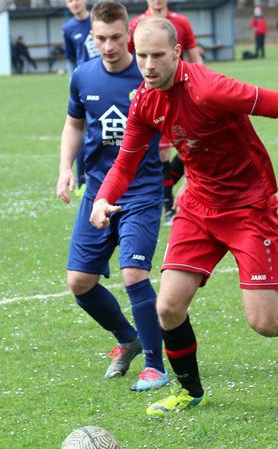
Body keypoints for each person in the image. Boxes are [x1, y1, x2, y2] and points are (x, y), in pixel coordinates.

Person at [91, 17, 278, 416]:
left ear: (177, 52)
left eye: (157, 55)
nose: (148, 65)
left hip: (249, 208)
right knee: (168, 307)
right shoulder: (144, 100)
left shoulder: (210, 89)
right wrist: (103, 199)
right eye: (142, 56)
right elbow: (126, 162)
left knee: (263, 321)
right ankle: (190, 391)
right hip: (198, 207)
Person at [56, 1, 169, 392]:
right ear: (92, 36)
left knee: (134, 273)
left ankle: (154, 365)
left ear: (129, 35)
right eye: (101, 38)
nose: (109, 46)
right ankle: (128, 337)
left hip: (141, 190)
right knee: (79, 282)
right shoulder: (83, 76)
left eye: (117, 38)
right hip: (97, 191)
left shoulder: (149, 77)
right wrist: (65, 169)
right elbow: (74, 124)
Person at [128, 0, 204, 226]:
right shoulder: (135, 25)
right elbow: (130, 61)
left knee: (193, 146)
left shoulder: (181, 22)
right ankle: (168, 206)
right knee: (161, 154)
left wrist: (202, 85)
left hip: (182, 97)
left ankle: (181, 194)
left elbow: (195, 56)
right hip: (153, 100)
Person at [63, 0, 101, 195]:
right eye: (70, 0)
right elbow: (70, 59)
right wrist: (74, 84)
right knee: (82, 131)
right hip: (85, 85)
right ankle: (82, 180)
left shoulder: (97, 20)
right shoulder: (68, 28)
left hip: (103, 80)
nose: (75, 3)